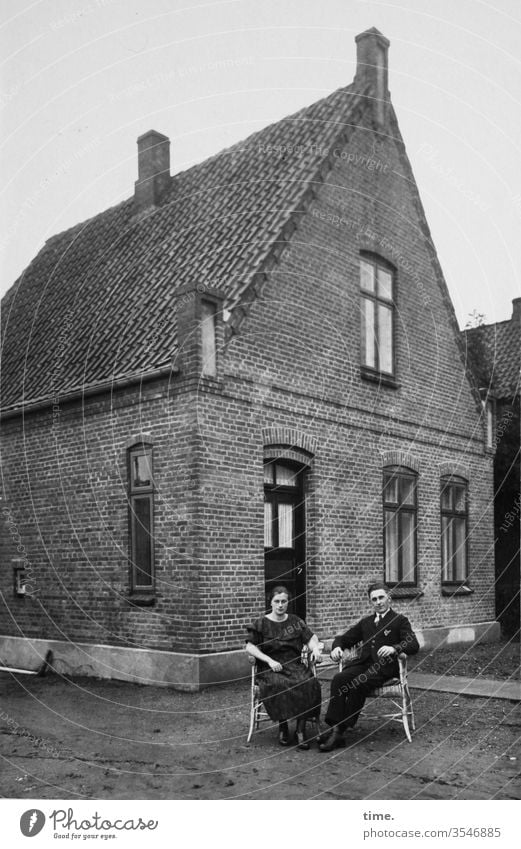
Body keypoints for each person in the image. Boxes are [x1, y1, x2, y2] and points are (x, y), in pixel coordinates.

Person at [319, 581, 419, 752]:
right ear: (371, 602)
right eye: (374, 599)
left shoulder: (399, 621)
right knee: (339, 678)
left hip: (385, 669)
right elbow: (344, 638)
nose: (378, 602)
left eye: (381, 597)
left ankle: (339, 731)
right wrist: (337, 647)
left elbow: (413, 644)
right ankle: (335, 726)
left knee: (359, 682)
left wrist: (394, 648)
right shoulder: (366, 623)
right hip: (364, 664)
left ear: (389, 598)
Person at [246, 586, 322, 750]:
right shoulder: (261, 623)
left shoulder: (295, 621)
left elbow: (309, 638)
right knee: (279, 684)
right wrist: (269, 660)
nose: (280, 605)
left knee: (308, 682)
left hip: (294, 665)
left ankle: (300, 731)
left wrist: (315, 649)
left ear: (288, 602)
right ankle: (283, 726)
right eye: (277, 601)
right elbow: (250, 647)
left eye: (284, 601)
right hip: (271, 666)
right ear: (271, 602)